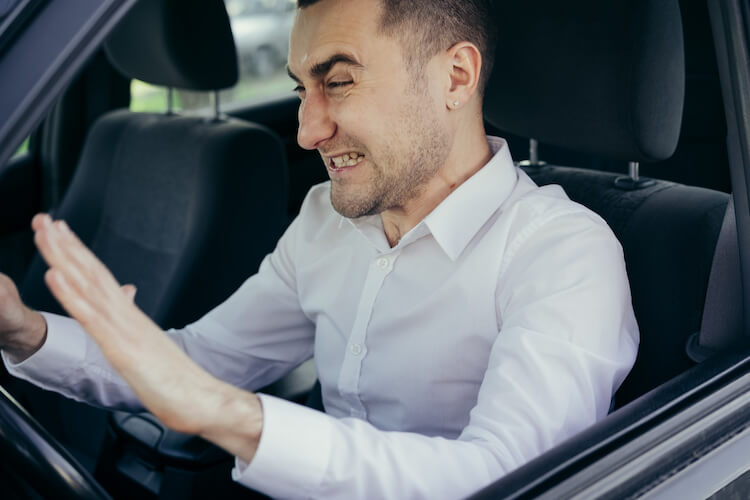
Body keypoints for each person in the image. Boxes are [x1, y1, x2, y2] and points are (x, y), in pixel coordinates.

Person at [0, 0, 639, 498]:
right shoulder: (323, 222)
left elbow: (507, 480)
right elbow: (195, 364)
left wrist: (231, 415)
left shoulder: (564, 254)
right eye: (303, 88)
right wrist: (26, 333)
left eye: (338, 82)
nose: (308, 130)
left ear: (456, 75)